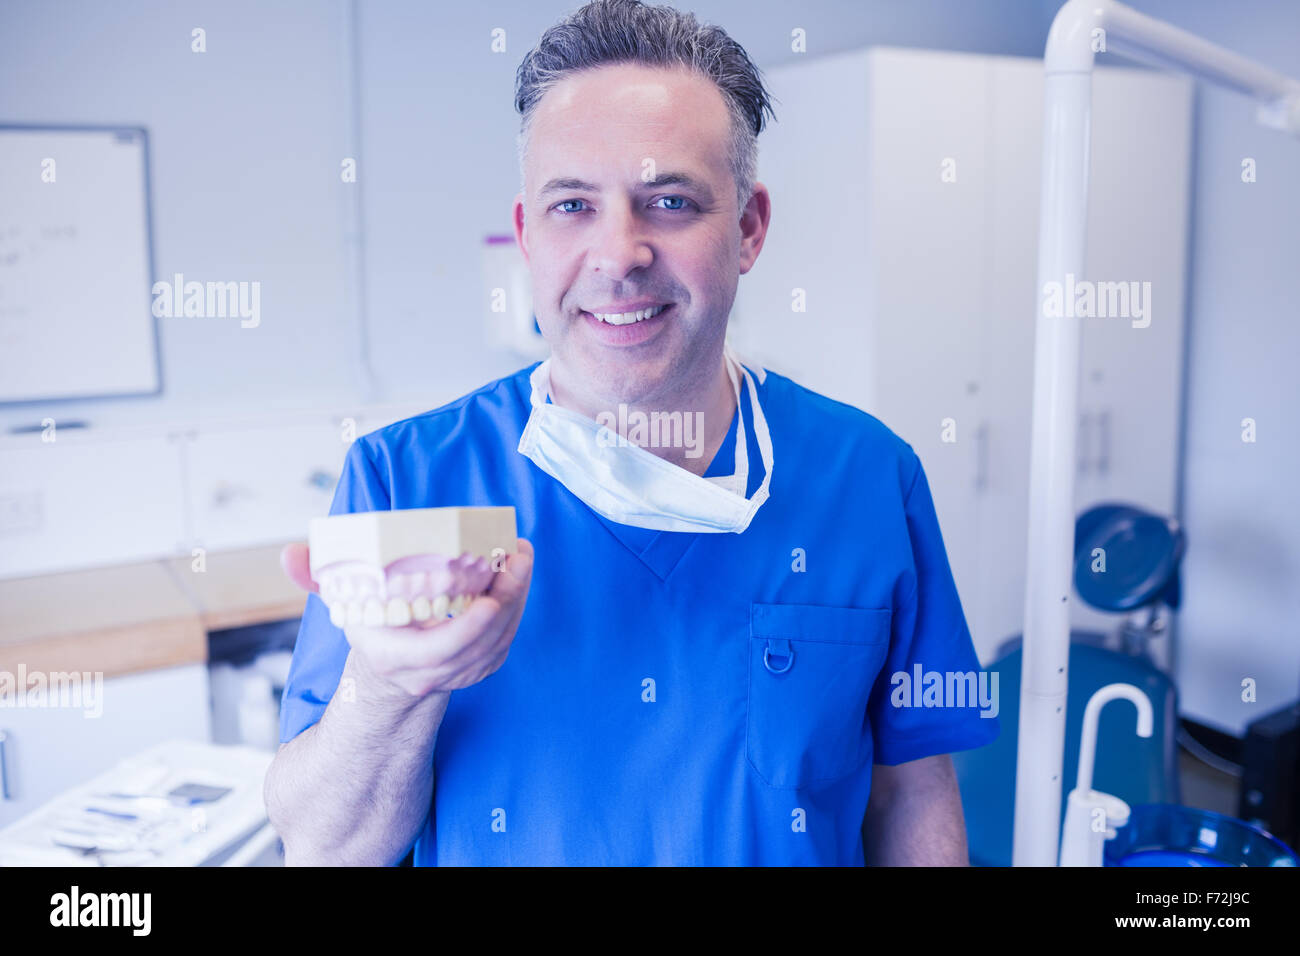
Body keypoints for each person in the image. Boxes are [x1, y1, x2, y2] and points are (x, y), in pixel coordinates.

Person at [264, 0, 999, 866]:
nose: (620, 254)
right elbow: (323, 848)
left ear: (750, 228)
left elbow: (912, 789)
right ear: (528, 234)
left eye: (671, 201)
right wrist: (391, 685)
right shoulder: (407, 482)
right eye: (573, 204)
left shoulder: (869, 477)